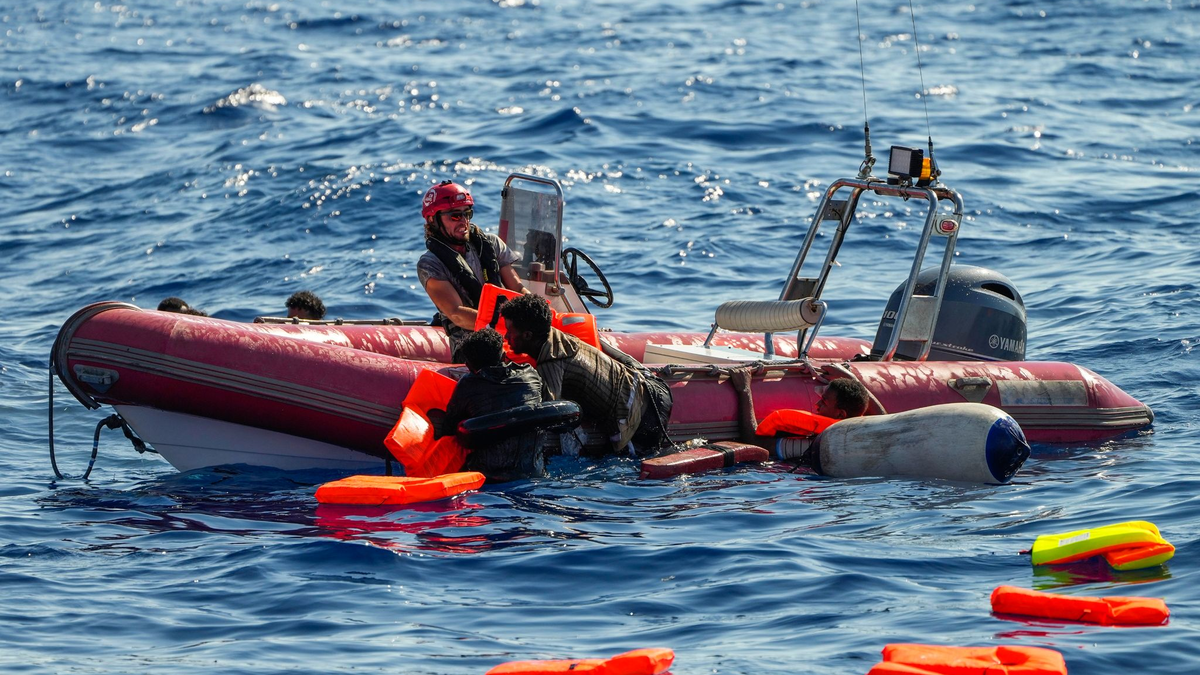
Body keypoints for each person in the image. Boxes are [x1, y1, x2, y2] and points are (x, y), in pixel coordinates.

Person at [499, 293, 673, 457]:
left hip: (643, 413)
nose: (506, 336)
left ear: (528, 335)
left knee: (636, 468)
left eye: (509, 332)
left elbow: (548, 412)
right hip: (650, 386)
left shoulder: (550, 362)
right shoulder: (558, 338)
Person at [416, 180, 529, 361]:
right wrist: (504, 326)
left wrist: (537, 315)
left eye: (467, 214)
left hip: (510, 336)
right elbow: (456, 313)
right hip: (471, 348)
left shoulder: (491, 244)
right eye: (455, 216)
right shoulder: (430, 264)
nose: (464, 221)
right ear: (432, 220)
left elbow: (517, 288)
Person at [436, 328, 547, 481]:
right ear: (503, 356)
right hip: (535, 473)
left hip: (488, 478)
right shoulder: (531, 375)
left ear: (468, 366)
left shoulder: (469, 384)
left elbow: (448, 428)